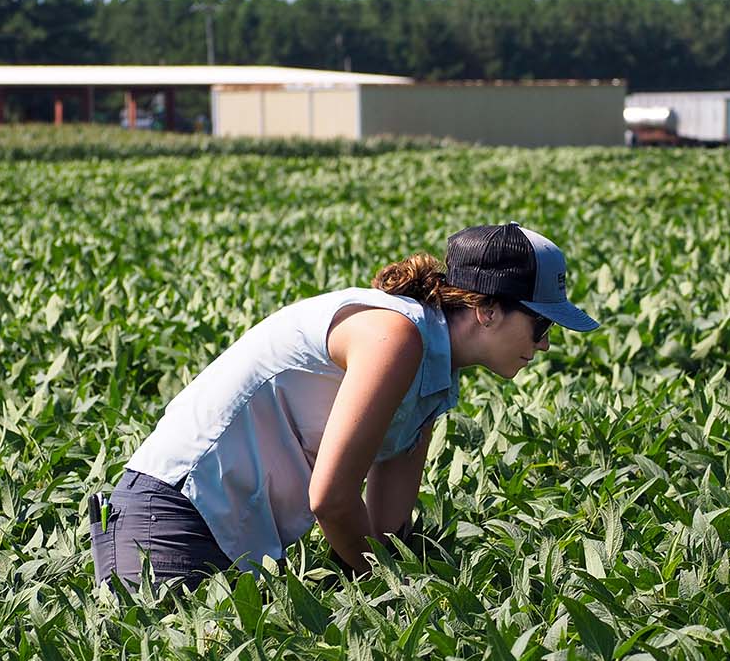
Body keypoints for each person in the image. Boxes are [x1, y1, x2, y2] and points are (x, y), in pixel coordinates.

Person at [88, 222, 598, 589]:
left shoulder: (433, 376)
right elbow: (330, 498)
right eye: (542, 324)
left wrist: (409, 580)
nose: (547, 343)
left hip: (224, 537)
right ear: (487, 310)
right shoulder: (395, 335)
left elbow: (385, 532)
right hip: (170, 520)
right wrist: (392, 596)